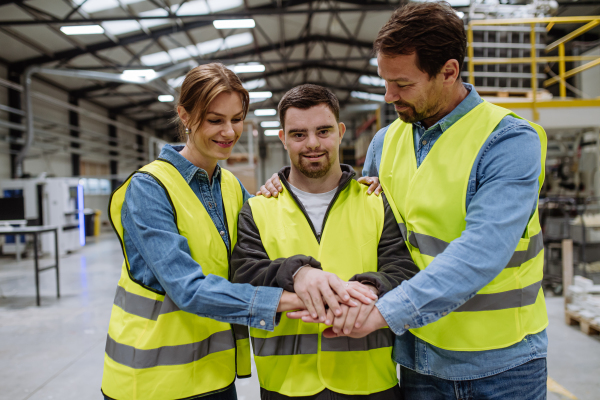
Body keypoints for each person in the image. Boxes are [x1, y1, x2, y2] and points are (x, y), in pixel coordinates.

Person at [278, 3, 549, 399]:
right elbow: (357, 222)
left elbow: (483, 250)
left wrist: (384, 312)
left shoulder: (507, 141)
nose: (389, 96)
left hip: (501, 365)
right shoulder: (386, 142)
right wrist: (285, 182)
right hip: (417, 359)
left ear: (449, 72)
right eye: (385, 81)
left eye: (402, 85)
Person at [101, 63, 317, 400]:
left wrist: (352, 190)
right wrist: (287, 301)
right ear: (184, 116)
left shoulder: (230, 185)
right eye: (215, 120)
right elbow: (187, 288)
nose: (229, 132)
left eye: (236, 119)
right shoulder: (149, 189)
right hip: (150, 383)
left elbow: (268, 246)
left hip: (213, 377)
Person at [232, 84, 419, 400]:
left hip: (370, 380)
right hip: (287, 385)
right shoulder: (257, 208)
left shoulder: (376, 201)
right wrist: (296, 273)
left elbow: (403, 269)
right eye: (299, 134)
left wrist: (371, 288)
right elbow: (245, 277)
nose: (313, 144)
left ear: (341, 131)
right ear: (283, 139)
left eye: (323, 131)